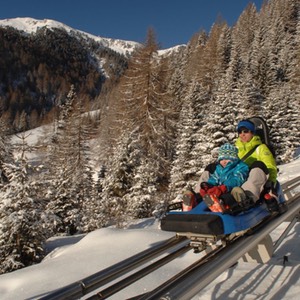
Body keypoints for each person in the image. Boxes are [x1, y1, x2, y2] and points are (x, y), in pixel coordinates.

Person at [198, 143, 249, 213]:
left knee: (235, 191)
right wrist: (208, 186)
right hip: (220, 191)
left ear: (234, 159)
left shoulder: (240, 167)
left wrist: (225, 187)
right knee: (209, 194)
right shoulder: (219, 168)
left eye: (227, 159)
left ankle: (235, 207)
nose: (224, 161)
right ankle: (195, 204)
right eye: (222, 159)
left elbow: (237, 179)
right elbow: (214, 178)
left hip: (231, 190)